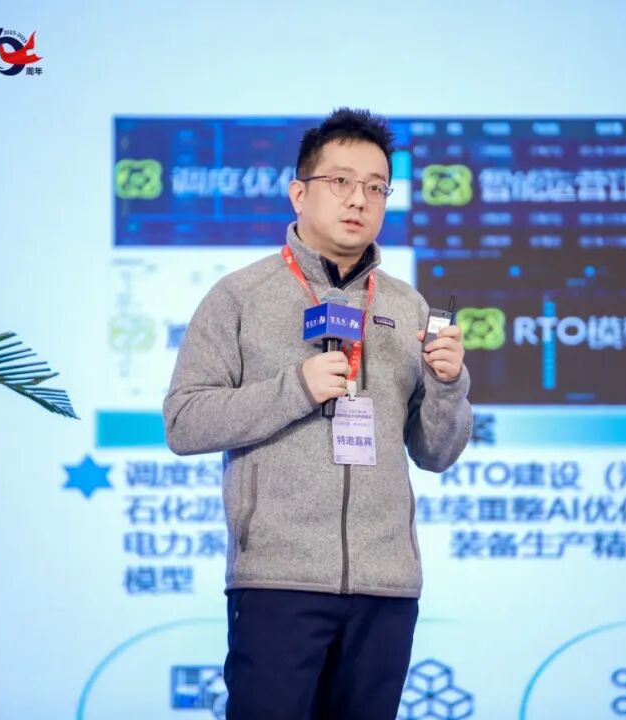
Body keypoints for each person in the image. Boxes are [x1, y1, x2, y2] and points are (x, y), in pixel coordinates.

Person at [163, 107, 472, 720]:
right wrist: (295, 388)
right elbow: (184, 421)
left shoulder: (409, 307)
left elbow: (436, 453)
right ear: (299, 193)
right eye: (341, 182)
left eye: (376, 187)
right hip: (277, 579)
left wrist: (448, 384)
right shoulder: (240, 296)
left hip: (386, 585)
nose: (358, 199)